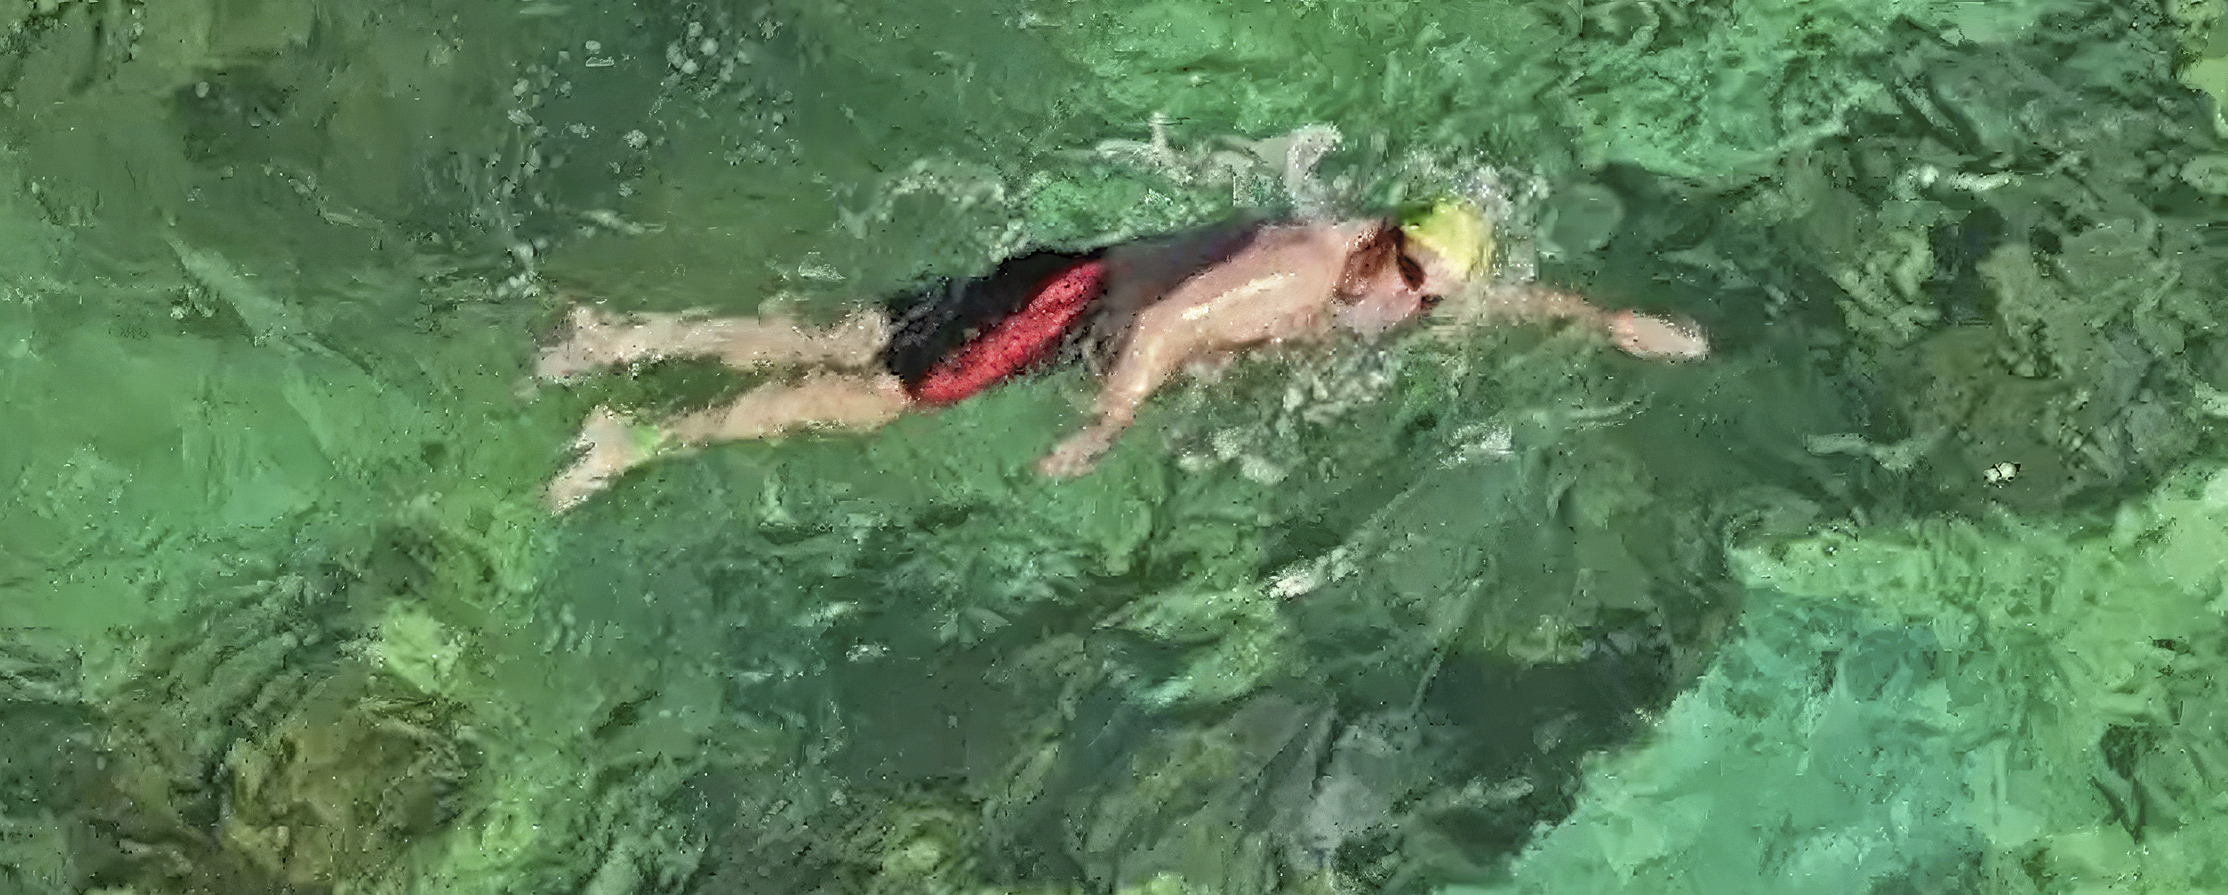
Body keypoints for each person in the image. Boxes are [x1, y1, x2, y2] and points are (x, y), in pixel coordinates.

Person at [533, 196, 1709, 510]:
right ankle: (641, 435)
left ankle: (621, 341)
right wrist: (1109, 425)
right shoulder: (1303, 268)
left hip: (1066, 282)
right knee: (888, 395)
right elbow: (1165, 326)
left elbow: (1495, 302)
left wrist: (1604, 321)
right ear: (1386, 239)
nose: (1414, 300)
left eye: (1430, 294)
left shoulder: (1388, 276)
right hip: (1074, 307)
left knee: (860, 333)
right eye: (1409, 274)